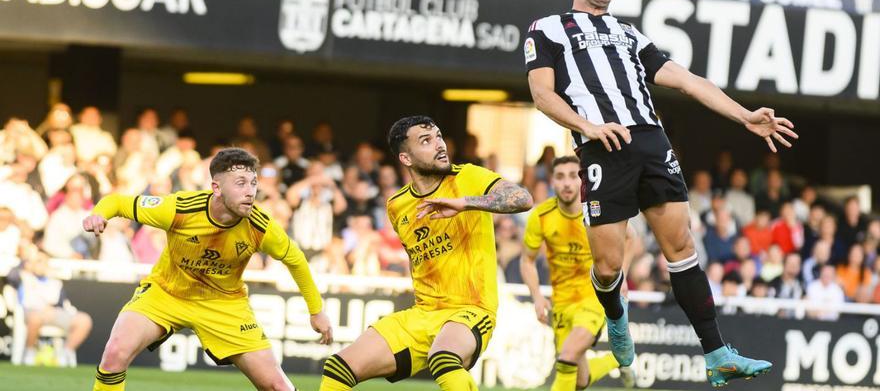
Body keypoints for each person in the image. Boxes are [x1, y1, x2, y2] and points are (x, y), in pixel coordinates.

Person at [524, 0, 795, 386]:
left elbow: (687, 80)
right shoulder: (548, 29)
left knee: (682, 249)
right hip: (600, 147)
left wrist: (744, 115)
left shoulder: (630, 34)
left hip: (650, 140)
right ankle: (615, 316)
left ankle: (716, 351)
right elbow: (542, 95)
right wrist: (588, 127)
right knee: (609, 266)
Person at [82, 148, 333, 391]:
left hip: (223, 304)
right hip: (165, 294)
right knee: (114, 353)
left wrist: (316, 311)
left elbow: (296, 260)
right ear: (217, 187)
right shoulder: (179, 209)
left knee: (277, 386)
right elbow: (117, 202)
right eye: (240, 183)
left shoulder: (261, 226)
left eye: (253, 183)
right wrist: (98, 214)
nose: (250, 192)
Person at [319, 115, 533, 391]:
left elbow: (522, 199)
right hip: (424, 313)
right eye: (426, 141)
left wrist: (465, 203)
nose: (439, 145)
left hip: (471, 309)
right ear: (406, 158)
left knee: (443, 359)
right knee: (338, 368)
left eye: (439, 137)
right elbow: (416, 258)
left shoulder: (467, 176)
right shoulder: (397, 205)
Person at [520, 155, 635, 390]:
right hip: (561, 303)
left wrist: (621, 275)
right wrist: (537, 297)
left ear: (583, 179)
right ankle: (618, 359)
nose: (567, 183)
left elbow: (631, 238)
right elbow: (527, 261)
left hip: (594, 298)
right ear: (552, 181)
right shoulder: (541, 216)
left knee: (567, 356)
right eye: (560, 177)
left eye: (573, 176)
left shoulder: (597, 209)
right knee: (579, 381)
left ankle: (619, 357)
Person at [17, 251, 93, 367]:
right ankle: (29, 353)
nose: (41, 265)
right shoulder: (22, 276)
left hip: (54, 313)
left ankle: (65, 353)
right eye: (38, 262)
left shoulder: (54, 281)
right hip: (33, 312)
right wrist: (26, 266)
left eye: (44, 262)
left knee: (84, 320)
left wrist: (52, 310)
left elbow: (58, 302)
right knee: (35, 318)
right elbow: (12, 276)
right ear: (29, 264)